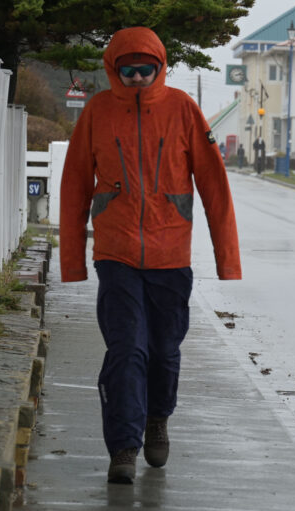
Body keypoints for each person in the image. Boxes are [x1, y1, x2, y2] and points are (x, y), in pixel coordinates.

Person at [60, 26, 242, 485]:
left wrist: (227, 259)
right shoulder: (98, 112)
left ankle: (157, 417)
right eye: (127, 70)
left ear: (160, 68)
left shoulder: (183, 109)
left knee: (163, 351)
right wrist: (73, 262)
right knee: (127, 349)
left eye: (146, 69)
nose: (137, 77)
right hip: (116, 253)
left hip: (170, 255)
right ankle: (123, 447)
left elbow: (215, 187)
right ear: (113, 70)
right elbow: (75, 184)